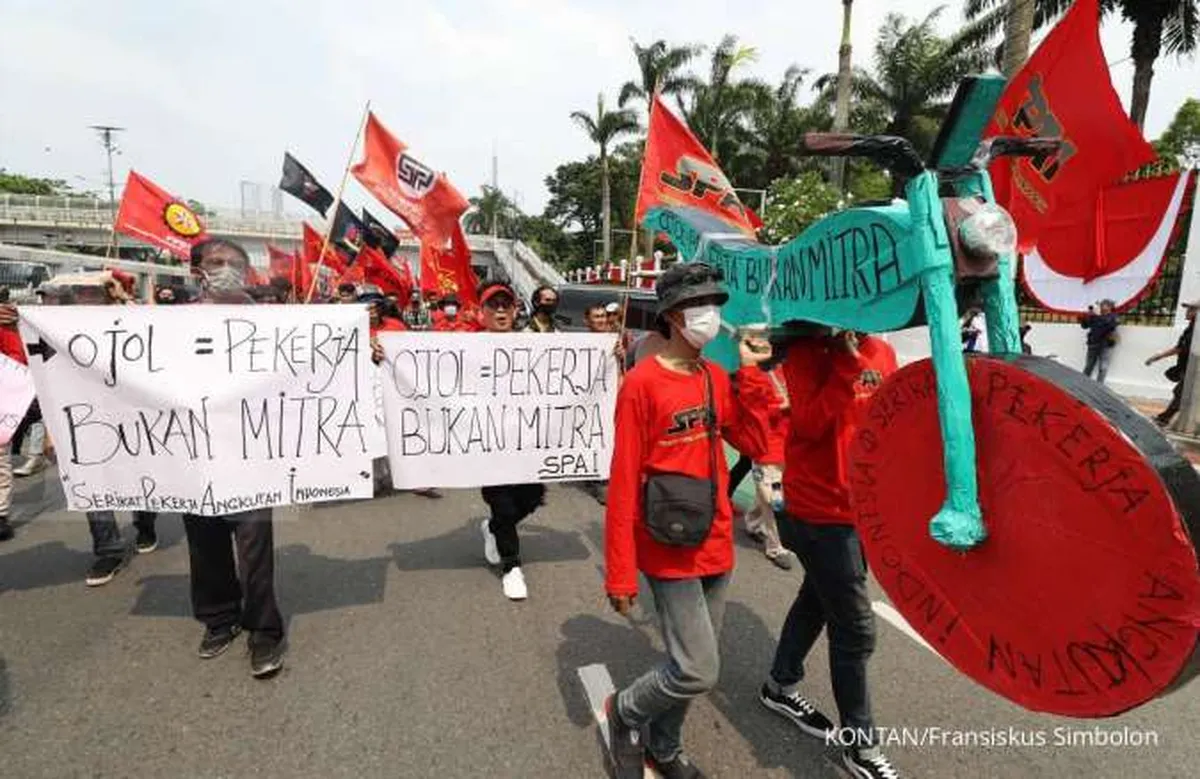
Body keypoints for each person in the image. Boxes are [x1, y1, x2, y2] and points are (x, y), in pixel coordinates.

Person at [604, 262, 775, 779]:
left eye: (715, 304)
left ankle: (664, 746)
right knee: (698, 670)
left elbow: (757, 443)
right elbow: (623, 479)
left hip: (716, 541)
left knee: (691, 663)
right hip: (667, 545)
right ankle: (625, 711)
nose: (710, 315)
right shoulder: (641, 384)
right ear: (674, 316)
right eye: (699, 305)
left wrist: (752, 375)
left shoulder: (715, 377)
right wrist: (619, 572)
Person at [760, 326, 900, 779]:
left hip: (864, 509)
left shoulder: (883, 352)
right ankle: (860, 746)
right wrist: (844, 360)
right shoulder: (806, 353)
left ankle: (779, 684)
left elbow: (888, 424)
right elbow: (809, 424)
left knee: (816, 599)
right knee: (856, 631)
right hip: (819, 512)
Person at [186, 238, 287, 678]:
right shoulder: (169, 324)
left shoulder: (268, 322)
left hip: (250, 449)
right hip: (193, 449)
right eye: (217, 262)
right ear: (196, 271)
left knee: (254, 544)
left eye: (235, 264)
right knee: (204, 540)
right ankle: (219, 617)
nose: (227, 270)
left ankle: (263, 630)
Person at [477, 281, 546, 601]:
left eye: (507, 304)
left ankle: (492, 528)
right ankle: (511, 566)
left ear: (516, 310)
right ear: (482, 312)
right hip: (488, 443)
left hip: (526, 440)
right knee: (503, 504)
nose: (501, 310)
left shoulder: (534, 345)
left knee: (532, 498)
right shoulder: (464, 346)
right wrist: (383, 355)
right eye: (494, 305)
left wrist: (609, 357)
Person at [743, 364, 795, 570]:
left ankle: (753, 522)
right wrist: (782, 406)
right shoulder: (753, 375)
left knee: (771, 491)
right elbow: (750, 411)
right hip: (765, 449)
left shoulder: (788, 369)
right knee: (774, 499)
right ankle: (775, 547)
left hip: (787, 445)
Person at [1146, 299, 1198, 427]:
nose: (1187, 312)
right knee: (1181, 393)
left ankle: (1164, 419)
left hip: (1195, 370)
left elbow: (1183, 349)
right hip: (1188, 368)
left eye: (1192, 309)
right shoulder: (1191, 328)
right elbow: (1179, 348)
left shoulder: (1197, 329)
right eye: (1188, 309)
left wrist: (1158, 357)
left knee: (1181, 393)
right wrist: (1158, 356)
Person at [1080, 299, 1119, 383]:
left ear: (1110, 307)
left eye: (1104, 305)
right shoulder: (1095, 316)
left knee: (1103, 367)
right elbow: (1084, 326)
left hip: (1105, 345)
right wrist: (1086, 316)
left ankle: (1099, 386)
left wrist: (1097, 316)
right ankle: (1083, 383)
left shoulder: (1113, 316)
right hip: (1093, 344)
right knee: (1088, 365)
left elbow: (1109, 326)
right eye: (1101, 305)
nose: (1101, 306)